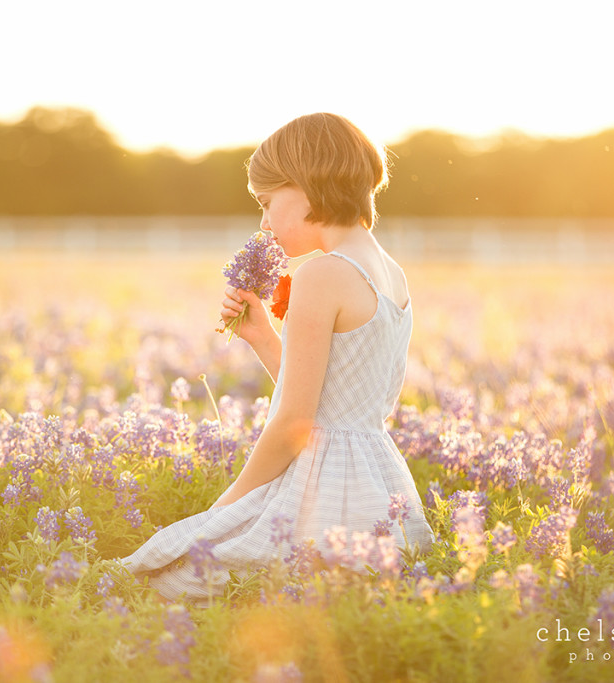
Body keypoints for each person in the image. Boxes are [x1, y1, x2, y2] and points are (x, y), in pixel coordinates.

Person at [119, 112, 434, 602]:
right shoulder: (391, 273)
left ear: (308, 185)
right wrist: (264, 337)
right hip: (378, 484)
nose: (263, 222)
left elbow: (295, 422)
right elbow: (336, 396)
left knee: (173, 581)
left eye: (267, 203)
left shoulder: (320, 275)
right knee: (354, 600)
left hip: (322, 486)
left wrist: (222, 509)